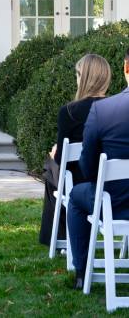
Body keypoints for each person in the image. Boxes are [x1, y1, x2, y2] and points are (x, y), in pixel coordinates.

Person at [67, 49, 129, 290]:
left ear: (125, 68)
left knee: (75, 197)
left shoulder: (103, 111)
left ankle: (82, 272)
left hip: (113, 202)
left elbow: (87, 166)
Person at [39, 54, 110, 245]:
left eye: (78, 75)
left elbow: (62, 159)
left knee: (51, 168)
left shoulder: (69, 111)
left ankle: (57, 237)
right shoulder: (115, 109)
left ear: (83, 77)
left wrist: (56, 153)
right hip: (108, 181)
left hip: (79, 180)